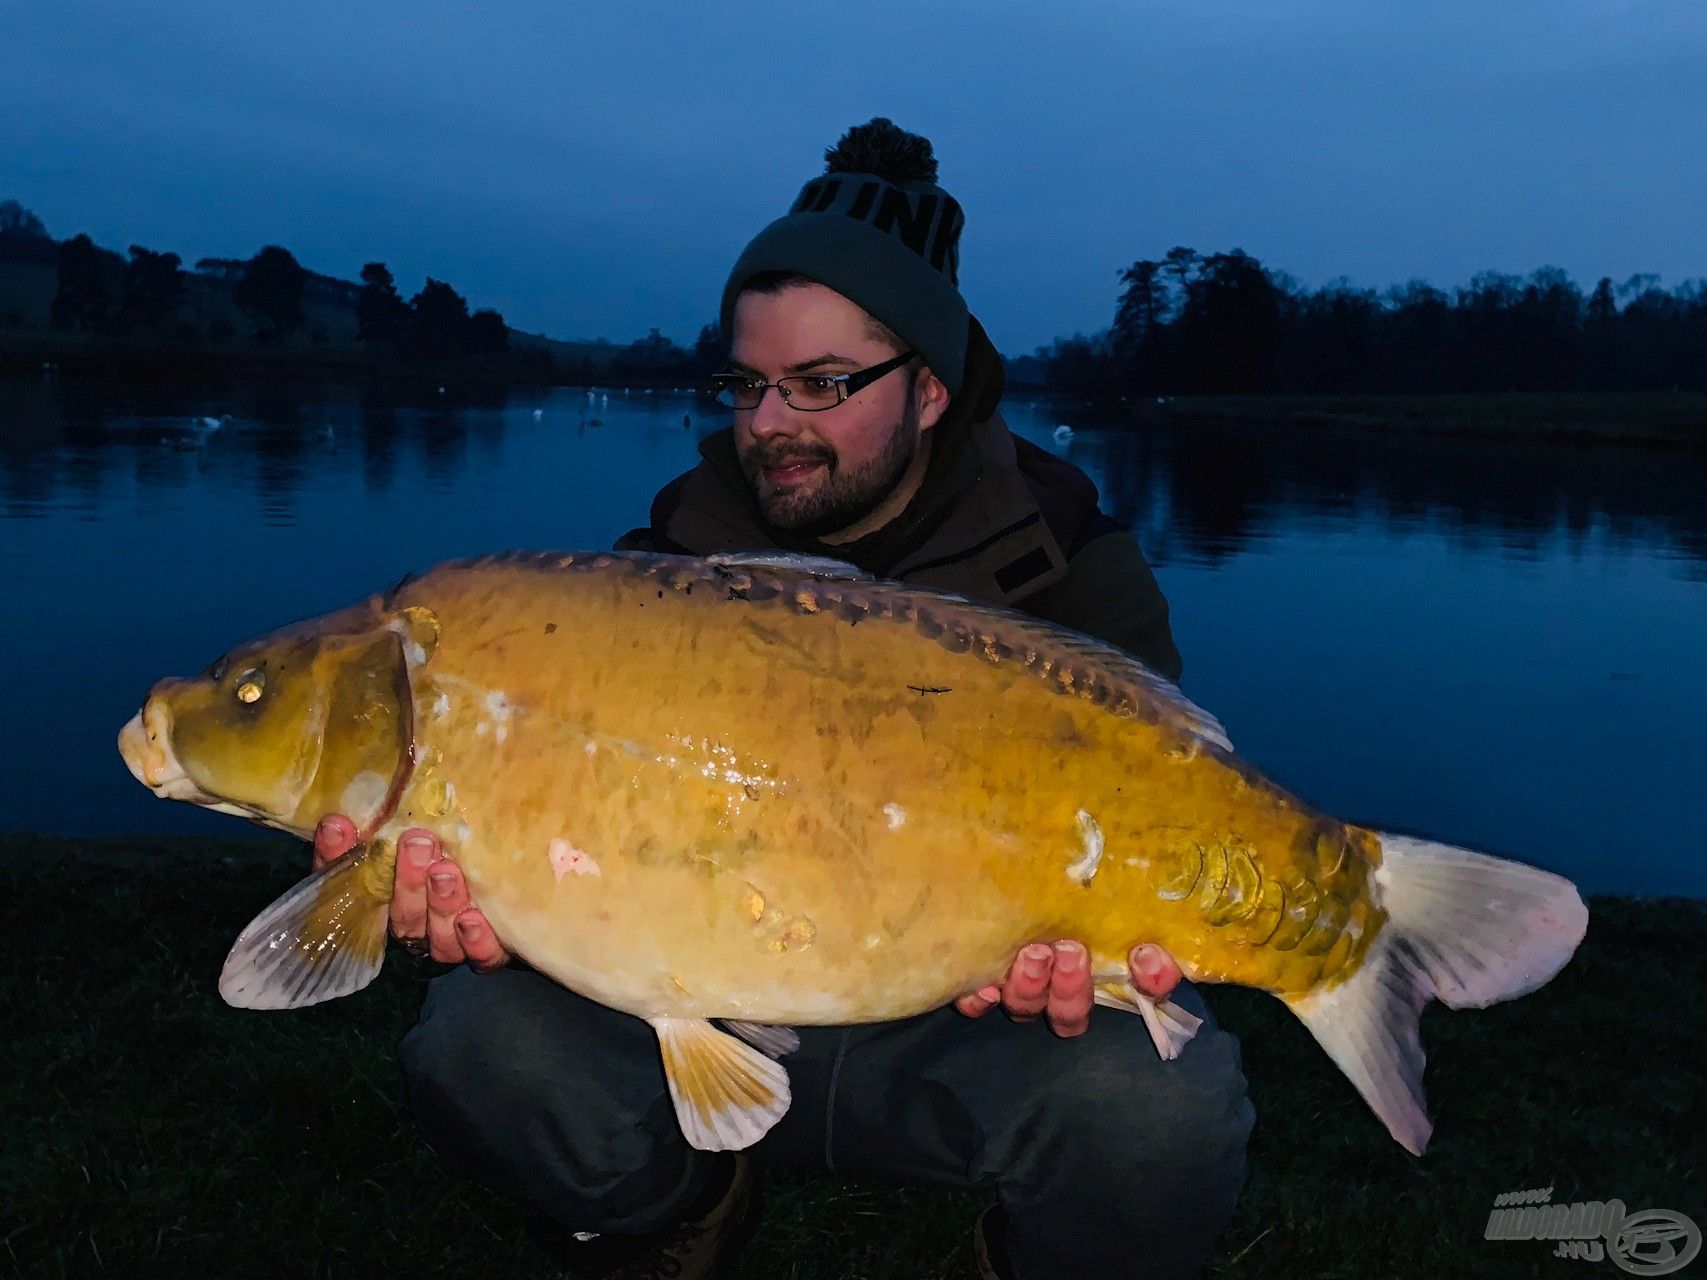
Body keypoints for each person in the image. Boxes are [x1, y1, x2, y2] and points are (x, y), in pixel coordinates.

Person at [314, 120, 1254, 1279]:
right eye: (749, 384)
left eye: (821, 384)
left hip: (960, 1016)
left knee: (1166, 1107)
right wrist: (481, 895)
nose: (769, 426)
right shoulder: (657, 570)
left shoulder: (1076, 569)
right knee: (474, 1046)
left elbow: (1149, 831)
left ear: (929, 390)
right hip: (685, 996)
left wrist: (1095, 948)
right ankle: (680, 1205)